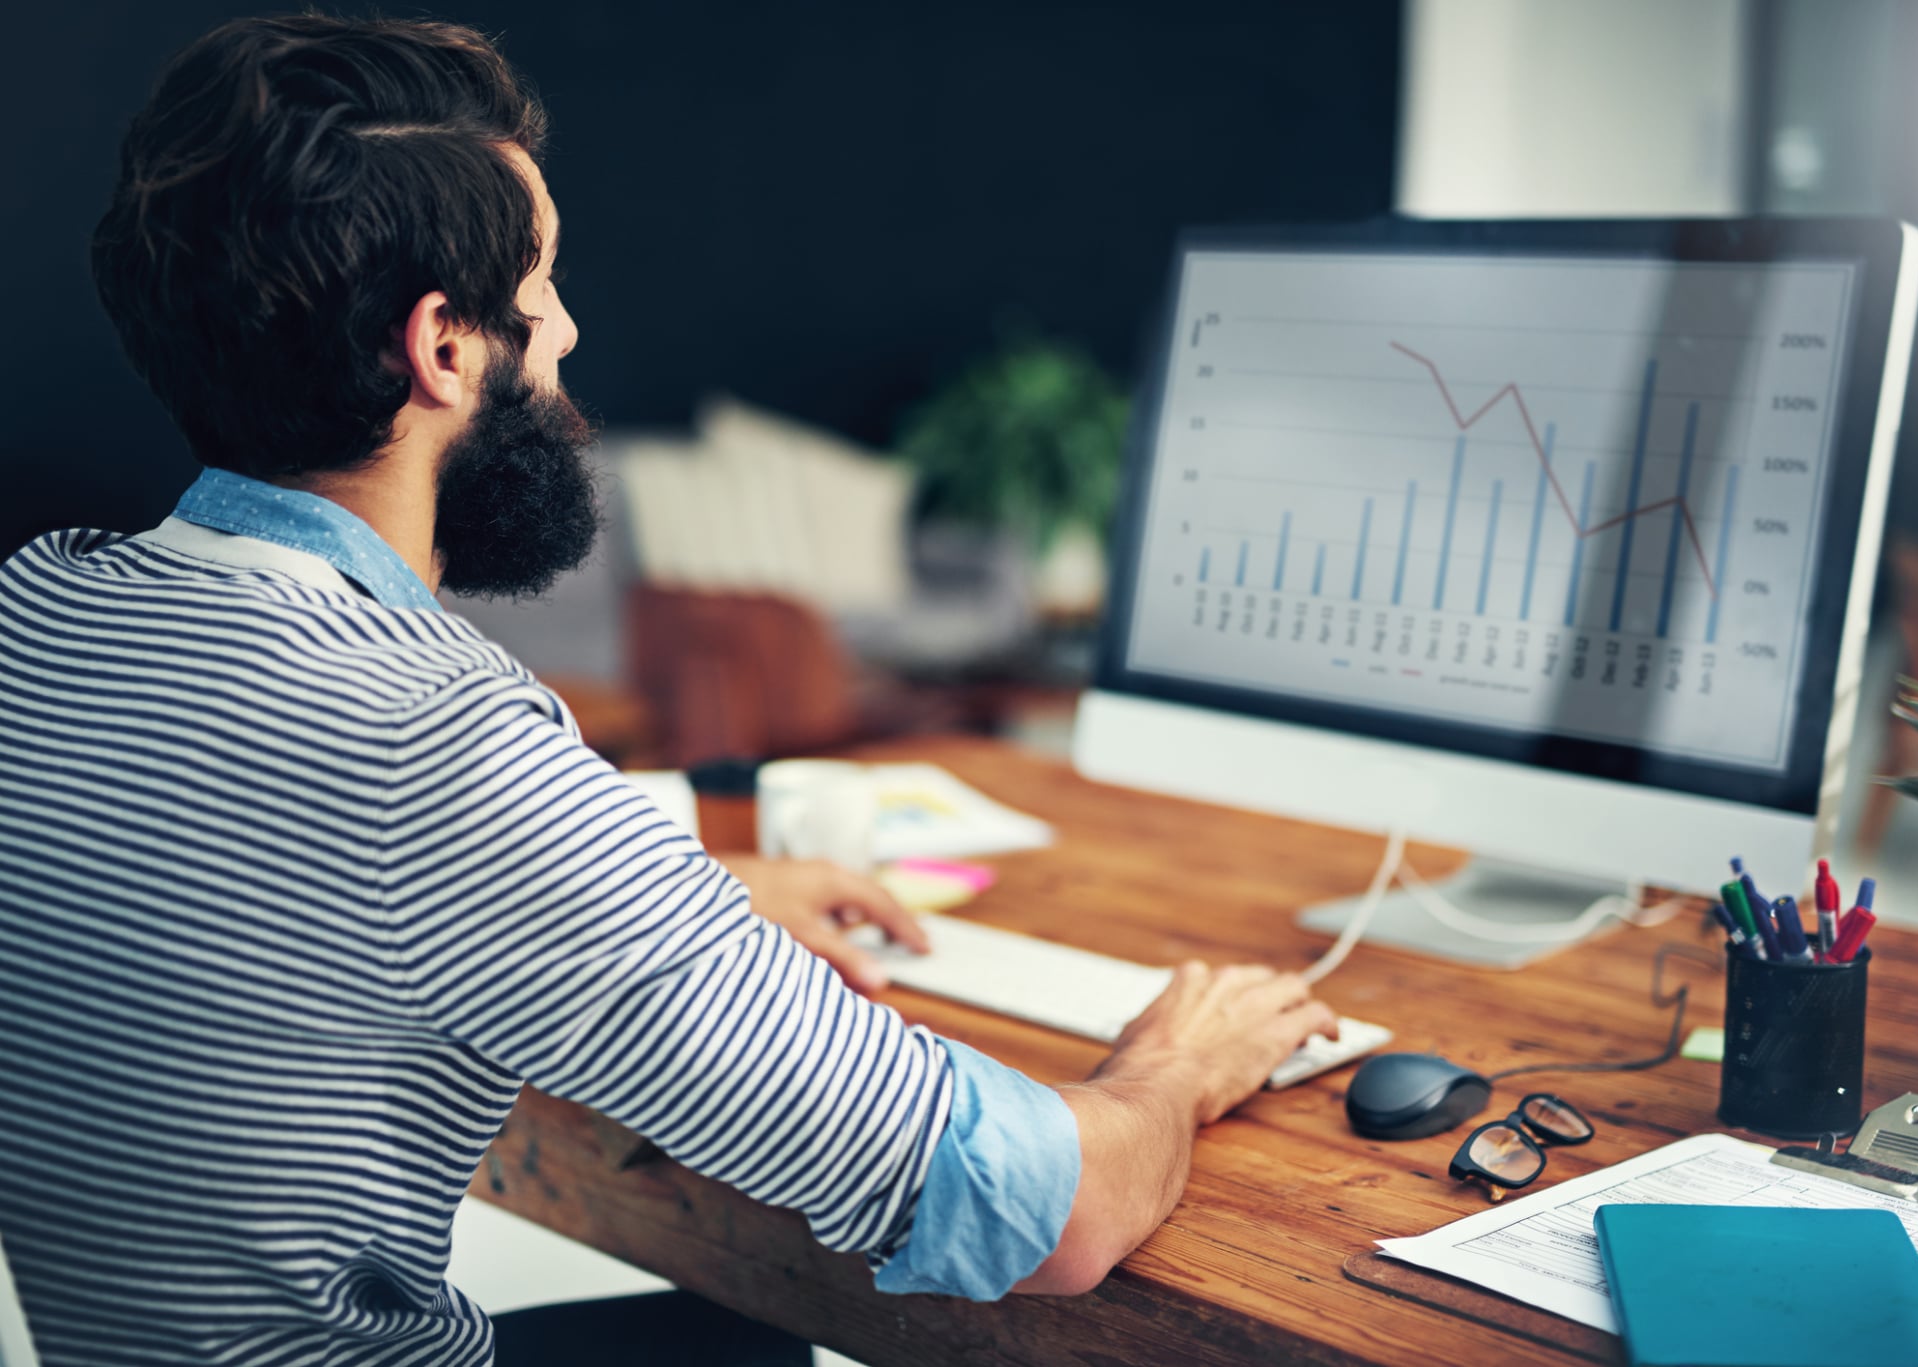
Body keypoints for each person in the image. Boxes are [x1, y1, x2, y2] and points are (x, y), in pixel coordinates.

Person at [0, 14, 1338, 1367]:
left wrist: (646, 889)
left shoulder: (41, 611)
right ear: (444, 350)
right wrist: (1179, 1064)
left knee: (720, 1335)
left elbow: (262, 896)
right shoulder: (438, 740)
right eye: (543, 284)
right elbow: (1047, 1215)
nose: (568, 330)